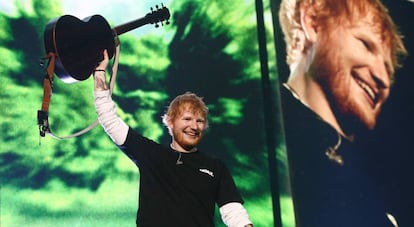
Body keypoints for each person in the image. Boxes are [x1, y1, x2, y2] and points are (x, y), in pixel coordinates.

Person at [278, 0, 407, 226]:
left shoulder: (367, 183)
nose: (383, 79)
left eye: (388, 69)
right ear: (313, 22)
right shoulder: (259, 133)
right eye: (366, 44)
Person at [92, 50, 253, 227]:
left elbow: (234, 212)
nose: (194, 126)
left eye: (200, 121)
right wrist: (99, 73)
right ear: (170, 121)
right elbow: (110, 121)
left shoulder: (215, 167)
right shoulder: (152, 155)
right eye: (187, 119)